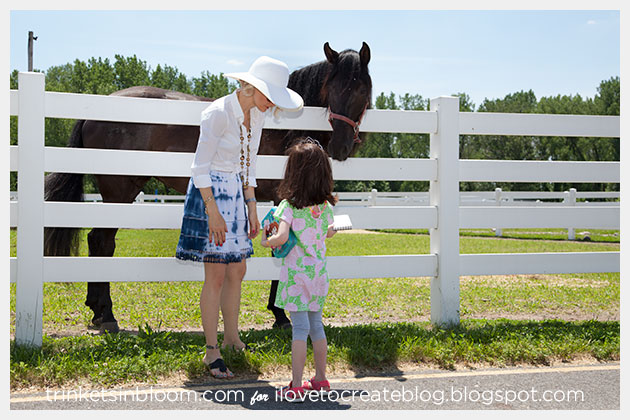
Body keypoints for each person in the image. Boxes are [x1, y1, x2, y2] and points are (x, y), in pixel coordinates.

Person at [175, 56, 303, 379]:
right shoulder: (218, 114)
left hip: (235, 193)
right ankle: (211, 351)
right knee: (216, 274)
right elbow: (198, 168)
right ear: (252, 87)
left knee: (238, 269)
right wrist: (213, 213)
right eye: (270, 95)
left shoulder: (257, 116)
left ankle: (232, 338)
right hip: (210, 194)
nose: (272, 103)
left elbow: (249, 166)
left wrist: (252, 207)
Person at [260, 138, 338, 401]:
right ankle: (320, 378)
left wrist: (266, 240)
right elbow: (329, 233)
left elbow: (280, 237)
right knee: (317, 326)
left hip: (296, 277)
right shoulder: (324, 208)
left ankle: (295, 383)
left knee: (299, 329)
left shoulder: (288, 206)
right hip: (318, 276)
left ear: (293, 174)